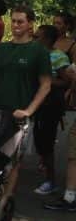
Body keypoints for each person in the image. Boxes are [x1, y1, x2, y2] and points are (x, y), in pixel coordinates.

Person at [0, 5, 52, 221]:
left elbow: (45, 85)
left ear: (30, 24)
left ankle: (5, 198)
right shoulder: (1, 49)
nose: (16, 25)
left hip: (19, 113)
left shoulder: (38, 52)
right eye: (14, 21)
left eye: (21, 21)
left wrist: (29, 110)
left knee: (13, 160)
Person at [32, 25, 72, 195]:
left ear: (47, 39)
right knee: (38, 139)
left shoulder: (58, 56)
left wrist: (46, 81)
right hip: (36, 103)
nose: (34, 38)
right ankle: (44, 163)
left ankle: (51, 180)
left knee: (46, 141)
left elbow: (67, 82)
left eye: (37, 36)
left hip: (51, 105)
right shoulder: (35, 53)